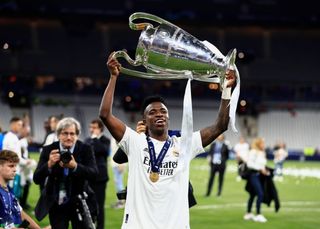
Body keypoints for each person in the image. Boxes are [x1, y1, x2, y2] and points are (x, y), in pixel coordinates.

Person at [98, 52, 236, 229]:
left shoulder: (184, 144)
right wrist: (113, 77)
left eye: (163, 111)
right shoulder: (135, 142)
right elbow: (105, 115)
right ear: (145, 120)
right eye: (152, 113)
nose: (159, 115)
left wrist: (226, 89)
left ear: (168, 117)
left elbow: (220, 126)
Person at [33, 117, 99, 228]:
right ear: (58, 134)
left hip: (79, 201)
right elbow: (36, 178)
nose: (69, 137)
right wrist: (48, 164)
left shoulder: (85, 149)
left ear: (77, 135)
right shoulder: (49, 149)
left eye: (72, 134)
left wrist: (75, 166)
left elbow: (94, 174)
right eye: (65, 133)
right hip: (56, 203)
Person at [0, 149, 41, 229]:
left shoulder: (8, 190)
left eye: (15, 166)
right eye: (11, 166)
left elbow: (20, 213)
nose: (15, 170)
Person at [84, 119, 110, 229]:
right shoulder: (87, 140)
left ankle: (100, 227)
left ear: (100, 128)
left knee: (99, 205)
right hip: (89, 177)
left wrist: (95, 139)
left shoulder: (105, 140)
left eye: (94, 127)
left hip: (100, 178)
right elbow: (85, 153)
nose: (92, 130)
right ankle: (90, 226)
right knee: (88, 204)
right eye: (91, 127)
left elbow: (104, 151)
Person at [243, 137, 269, 223]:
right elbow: (249, 164)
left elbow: (261, 164)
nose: (264, 145)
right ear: (258, 144)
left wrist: (265, 170)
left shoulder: (262, 152)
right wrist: (260, 169)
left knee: (253, 195)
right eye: (262, 143)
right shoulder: (253, 152)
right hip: (253, 175)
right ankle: (258, 215)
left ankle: (248, 213)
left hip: (259, 176)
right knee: (260, 194)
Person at [19, 122, 37, 209]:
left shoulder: (24, 140)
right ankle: (21, 203)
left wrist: (28, 158)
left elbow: (25, 153)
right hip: (22, 166)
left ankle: (23, 202)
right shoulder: (21, 141)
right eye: (26, 129)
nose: (27, 131)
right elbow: (20, 153)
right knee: (22, 185)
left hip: (26, 166)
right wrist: (27, 160)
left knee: (27, 183)